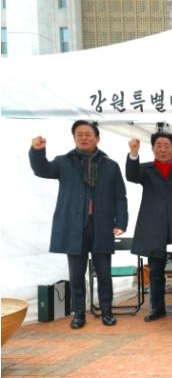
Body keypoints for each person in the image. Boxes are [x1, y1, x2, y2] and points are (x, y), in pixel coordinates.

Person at [29, 120, 128, 329]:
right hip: (74, 227)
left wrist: (121, 221)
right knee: (76, 275)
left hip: (101, 226)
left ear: (97, 138)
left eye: (88, 134)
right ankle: (78, 315)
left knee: (104, 274)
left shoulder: (110, 165)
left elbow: (120, 196)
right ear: (74, 138)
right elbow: (42, 169)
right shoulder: (64, 162)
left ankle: (107, 312)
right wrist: (37, 151)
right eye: (79, 134)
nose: (83, 137)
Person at [126, 132, 172, 322]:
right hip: (154, 227)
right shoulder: (146, 169)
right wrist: (133, 153)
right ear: (153, 148)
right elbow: (131, 175)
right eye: (159, 145)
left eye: (167, 146)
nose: (163, 150)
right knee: (155, 271)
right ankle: (157, 308)